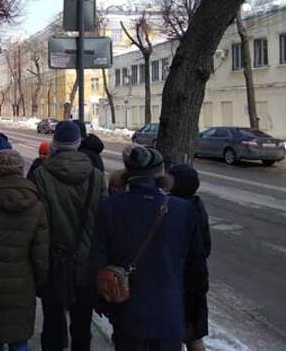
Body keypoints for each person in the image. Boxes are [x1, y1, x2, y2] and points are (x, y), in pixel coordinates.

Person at [90, 145, 209, 351]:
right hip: (168, 316)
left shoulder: (109, 207)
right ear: (161, 173)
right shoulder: (183, 210)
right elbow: (196, 271)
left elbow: (97, 261)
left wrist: (108, 307)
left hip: (127, 315)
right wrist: (190, 315)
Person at [31, 120, 107, 351]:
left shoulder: (41, 175)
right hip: (86, 263)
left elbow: (37, 222)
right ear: (78, 143)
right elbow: (103, 222)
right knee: (82, 325)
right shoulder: (96, 176)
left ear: (54, 143)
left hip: (53, 261)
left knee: (53, 323)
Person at [0, 149, 49, 351]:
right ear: (21, 170)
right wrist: (38, 281)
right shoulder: (36, 206)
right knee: (19, 340)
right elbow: (40, 253)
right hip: (23, 283)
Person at [169, 164, 211, 351]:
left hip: (181, 283)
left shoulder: (175, 211)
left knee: (175, 335)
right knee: (193, 337)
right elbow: (206, 247)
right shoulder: (197, 206)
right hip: (196, 285)